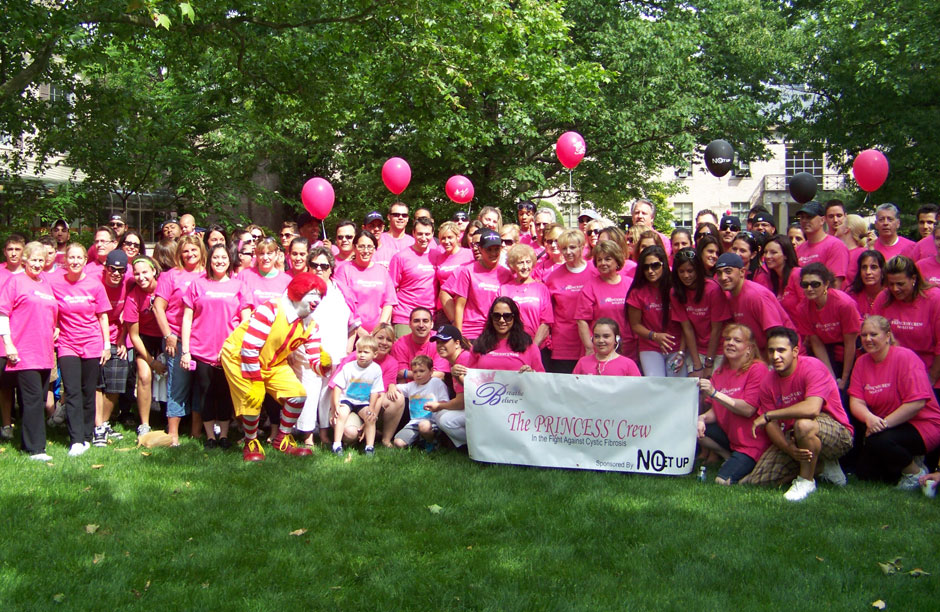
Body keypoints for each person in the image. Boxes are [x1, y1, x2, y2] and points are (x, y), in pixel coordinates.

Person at [221, 272, 329, 461]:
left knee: (297, 395)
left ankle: (283, 438)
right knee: (252, 398)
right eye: (312, 294)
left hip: (273, 363)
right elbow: (249, 348)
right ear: (298, 292)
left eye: (320, 295)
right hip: (239, 357)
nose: (316, 300)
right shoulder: (271, 309)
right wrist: (255, 381)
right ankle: (251, 442)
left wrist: (325, 365)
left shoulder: (311, 325)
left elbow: (315, 364)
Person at [745, 327, 854, 501]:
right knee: (758, 481)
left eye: (781, 350)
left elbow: (812, 408)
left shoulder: (812, 366)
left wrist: (769, 415)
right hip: (794, 436)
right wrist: (789, 449)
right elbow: (771, 425)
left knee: (803, 424)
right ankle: (820, 466)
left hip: (836, 432)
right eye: (771, 351)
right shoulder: (768, 381)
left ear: (795, 351)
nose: (775, 356)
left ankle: (805, 481)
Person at [849, 316, 940, 488]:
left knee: (878, 441)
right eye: (864, 335)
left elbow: (917, 403)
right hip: (884, 425)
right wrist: (870, 418)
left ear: (887, 335)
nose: (868, 339)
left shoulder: (906, 357)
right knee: (866, 474)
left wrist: (882, 424)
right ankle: (907, 460)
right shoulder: (861, 362)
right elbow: (856, 400)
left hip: (923, 424)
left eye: (873, 334)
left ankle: (915, 473)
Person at [50, 243, 111, 456]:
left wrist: (106, 345)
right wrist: (55, 326)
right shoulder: (56, 282)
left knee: (88, 391)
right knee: (72, 391)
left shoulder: (95, 285)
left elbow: (103, 316)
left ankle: (87, 435)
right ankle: (75, 439)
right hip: (67, 344)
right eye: (71, 258)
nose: (75, 261)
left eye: (79, 258)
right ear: (65, 261)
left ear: (85, 260)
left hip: (92, 343)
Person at [180, 244, 242, 449]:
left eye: (224, 257)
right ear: (209, 260)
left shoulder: (238, 285)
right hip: (201, 350)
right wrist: (186, 351)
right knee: (205, 393)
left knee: (225, 393)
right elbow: (187, 318)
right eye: (216, 257)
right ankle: (210, 437)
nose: (220, 261)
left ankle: (223, 436)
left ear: (229, 260)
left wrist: (240, 348)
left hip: (228, 352)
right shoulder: (198, 285)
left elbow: (245, 321)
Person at [0, 242, 58, 460]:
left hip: (44, 352)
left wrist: (57, 327)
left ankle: (28, 444)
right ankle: (36, 449)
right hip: (24, 351)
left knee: (39, 399)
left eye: (41, 260)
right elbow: (2, 313)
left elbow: (51, 311)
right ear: (24, 260)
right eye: (33, 260)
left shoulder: (45, 284)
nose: (37, 264)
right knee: (33, 399)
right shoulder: (15, 282)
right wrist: (8, 343)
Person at [297, 246, 358, 447]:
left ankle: (324, 432)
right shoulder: (299, 289)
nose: (319, 269)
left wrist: (348, 349)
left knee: (327, 394)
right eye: (314, 265)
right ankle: (307, 434)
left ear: (332, 268)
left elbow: (353, 323)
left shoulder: (341, 290)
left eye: (324, 266)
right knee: (310, 392)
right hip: (308, 353)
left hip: (337, 352)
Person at [696, 323, 771, 484]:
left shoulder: (757, 369)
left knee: (721, 482)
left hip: (751, 442)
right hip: (732, 438)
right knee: (693, 426)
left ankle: (751, 467)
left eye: (737, 340)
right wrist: (701, 419)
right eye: (727, 339)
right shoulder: (720, 372)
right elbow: (717, 411)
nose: (730, 343)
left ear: (749, 348)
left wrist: (715, 393)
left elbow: (748, 409)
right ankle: (728, 456)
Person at [153, 235, 206, 445]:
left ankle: (196, 432)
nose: (190, 254)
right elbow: (158, 307)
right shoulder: (170, 276)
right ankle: (173, 433)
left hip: (201, 340)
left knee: (200, 386)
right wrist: (168, 335)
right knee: (177, 385)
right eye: (186, 251)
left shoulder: (208, 275)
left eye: (194, 250)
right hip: (176, 338)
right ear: (179, 254)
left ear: (202, 250)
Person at [872, 256, 940, 389]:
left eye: (900, 284)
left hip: (930, 371)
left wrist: (931, 378)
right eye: (891, 284)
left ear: (913, 279)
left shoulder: (934, 299)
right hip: (895, 372)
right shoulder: (884, 298)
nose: (895, 289)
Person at [794, 263, 861, 389]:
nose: (809, 288)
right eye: (805, 285)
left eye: (815, 284)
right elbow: (816, 343)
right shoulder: (802, 308)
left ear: (826, 284)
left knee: (846, 389)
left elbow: (850, 343)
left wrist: (844, 379)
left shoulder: (844, 304)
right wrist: (831, 377)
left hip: (849, 348)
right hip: (826, 349)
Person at [714, 252, 794, 352]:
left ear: (742, 272)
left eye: (728, 271)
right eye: (719, 273)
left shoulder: (756, 295)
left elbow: (776, 333)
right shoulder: (729, 296)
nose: (723, 277)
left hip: (782, 352)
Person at [671, 247, 730, 377]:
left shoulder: (713, 289)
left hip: (718, 349)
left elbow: (716, 329)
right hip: (696, 348)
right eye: (681, 271)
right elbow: (687, 329)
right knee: (695, 383)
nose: (686, 275)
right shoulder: (676, 293)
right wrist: (697, 364)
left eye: (690, 271)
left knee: (713, 388)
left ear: (697, 269)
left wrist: (709, 363)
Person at [123, 256, 166, 436]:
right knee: (144, 375)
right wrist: (151, 361)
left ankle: (169, 417)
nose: (141, 277)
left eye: (145, 272)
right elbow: (134, 335)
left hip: (166, 337)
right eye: (137, 274)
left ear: (154, 271)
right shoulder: (133, 298)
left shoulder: (165, 287)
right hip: (145, 340)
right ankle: (145, 424)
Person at [445, 229, 512, 340]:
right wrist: (459, 336)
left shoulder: (506, 274)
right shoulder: (468, 271)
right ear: (480, 249)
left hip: (496, 332)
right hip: (471, 332)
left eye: (496, 249)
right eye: (489, 250)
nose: (493, 253)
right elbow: (459, 306)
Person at [627, 245, 683, 377]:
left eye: (655, 265)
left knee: (678, 388)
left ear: (664, 264)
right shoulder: (637, 292)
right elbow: (635, 325)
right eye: (646, 267)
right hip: (650, 347)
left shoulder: (676, 288)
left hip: (677, 346)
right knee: (656, 386)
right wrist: (655, 336)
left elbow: (687, 324)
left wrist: (682, 351)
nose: (650, 271)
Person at [545, 229, 596, 373]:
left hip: (592, 339)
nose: (568, 252)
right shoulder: (554, 277)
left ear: (582, 247)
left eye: (572, 247)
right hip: (564, 342)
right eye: (564, 248)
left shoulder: (595, 272)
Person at [95, 249, 130, 446]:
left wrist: (122, 339)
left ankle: (104, 422)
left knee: (116, 380)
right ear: (105, 268)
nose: (116, 273)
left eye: (120, 270)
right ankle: (96, 425)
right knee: (96, 383)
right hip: (95, 337)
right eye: (112, 269)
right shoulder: (96, 283)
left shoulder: (128, 283)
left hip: (117, 337)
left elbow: (127, 316)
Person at [575, 240, 633, 359]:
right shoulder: (590, 287)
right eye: (599, 260)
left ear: (617, 260)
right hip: (600, 349)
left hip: (628, 347)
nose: (602, 263)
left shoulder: (630, 284)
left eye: (607, 259)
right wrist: (589, 347)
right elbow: (582, 320)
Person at [333, 230, 397, 335]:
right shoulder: (344, 270)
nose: (366, 250)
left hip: (377, 333)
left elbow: (389, 302)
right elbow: (341, 302)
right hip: (350, 331)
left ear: (374, 249)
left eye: (369, 247)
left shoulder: (382, 271)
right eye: (361, 246)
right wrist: (358, 330)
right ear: (354, 248)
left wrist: (380, 328)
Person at [329, 335, 384, 456]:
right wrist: (337, 403)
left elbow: (376, 391)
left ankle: (369, 447)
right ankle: (337, 444)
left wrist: (372, 408)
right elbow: (338, 386)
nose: (362, 355)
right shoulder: (349, 367)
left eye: (366, 352)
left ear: (375, 354)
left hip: (363, 402)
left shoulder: (376, 369)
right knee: (341, 413)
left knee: (370, 417)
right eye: (359, 351)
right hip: (347, 399)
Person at [425, 324, 474, 448]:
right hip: (475, 407)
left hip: (484, 410)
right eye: (438, 342)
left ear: (457, 343)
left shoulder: (464, 359)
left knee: (446, 420)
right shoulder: (456, 360)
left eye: (444, 341)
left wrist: (439, 405)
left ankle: (474, 446)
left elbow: (461, 402)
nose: (440, 346)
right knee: (440, 415)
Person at [392, 354, 450, 450]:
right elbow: (395, 387)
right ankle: (419, 440)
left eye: (422, 371)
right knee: (398, 443)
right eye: (415, 372)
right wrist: (391, 386)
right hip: (414, 423)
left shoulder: (436, 383)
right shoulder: (410, 386)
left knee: (423, 426)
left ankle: (432, 441)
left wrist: (436, 405)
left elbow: (445, 402)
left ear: (431, 371)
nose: (418, 374)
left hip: (432, 423)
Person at [469, 297, 544, 372]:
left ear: (514, 318)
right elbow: (469, 379)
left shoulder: (529, 346)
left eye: (507, 316)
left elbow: (542, 379)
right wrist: (458, 375)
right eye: (496, 316)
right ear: (491, 318)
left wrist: (532, 374)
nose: (501, 320)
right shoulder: (479, 345)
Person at [389, 217, 436, 335]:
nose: (424, 238)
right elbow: (390, 289)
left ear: (433, 234)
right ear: (413, 233)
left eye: (427, 234)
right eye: (420, 234)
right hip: (405, 315)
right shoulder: (400, 257)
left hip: (430, 316)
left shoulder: (437, 255)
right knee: (403, 352)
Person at [500, 244, 552, 348]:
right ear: (513, 265)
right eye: (520, 263)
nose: (525, 267)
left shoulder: (541, 288)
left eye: (528, 262)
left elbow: (546, 322)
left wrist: (534, 347)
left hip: (538, 347)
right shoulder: (504, 289)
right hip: (512, 346)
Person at [795, 201, 849, 288]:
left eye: (809, 217)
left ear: (822, 220)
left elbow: (834, 285)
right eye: (802, 217)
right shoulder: (799, 249)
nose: (804, 221)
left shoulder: (835, 245)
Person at [432, 221, 473, 325]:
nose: (446, 241)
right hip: (443, 308)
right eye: (443, 238)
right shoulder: (439, 257)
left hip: (464, 307)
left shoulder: (469, 254)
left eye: (450, 237)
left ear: (458, 236)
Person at [237, 237, 290, 316]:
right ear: (256, 255)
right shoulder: (244, 276)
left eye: (269, 253)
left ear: (276, 255)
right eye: (261, 253)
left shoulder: (287, 280)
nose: (265, 258)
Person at [572, 318, 641, 376]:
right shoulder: (583, 362)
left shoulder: (628, 364)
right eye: (597, 336)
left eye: (606, 336)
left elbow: (637, 388)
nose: (601, 340)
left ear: (616, 339)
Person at [759, 235, 802, 313]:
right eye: (765, 252)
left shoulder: (797, 274)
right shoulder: (773, 278)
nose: (767, 256)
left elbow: (808, 306)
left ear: (786, 255)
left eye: (773, 252)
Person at [847, 249, 886, 319]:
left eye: (873, 267)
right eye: (864, 267)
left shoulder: (889, 296)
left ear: (882, 271)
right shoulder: (851, 295)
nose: (868, 272)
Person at [837, 214, 870, 285]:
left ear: (846, 229)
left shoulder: (862, 253)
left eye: (841, 223)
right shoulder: (837, 251)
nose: (837, 226)